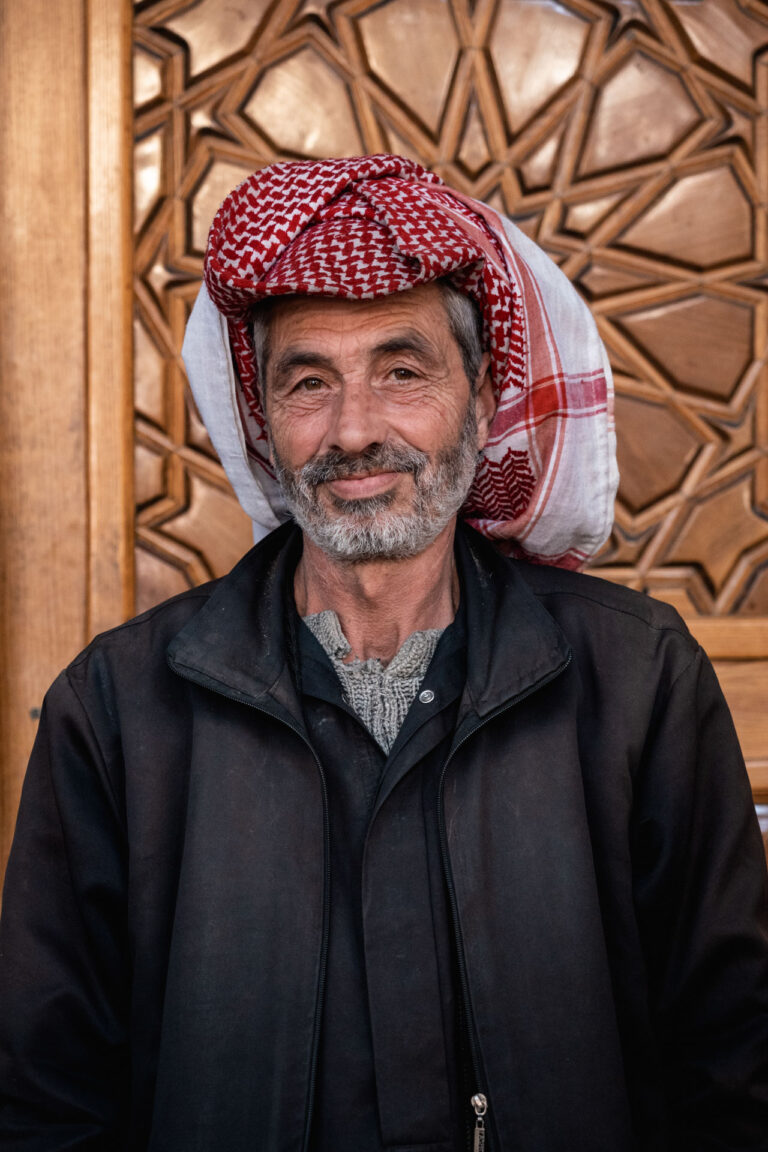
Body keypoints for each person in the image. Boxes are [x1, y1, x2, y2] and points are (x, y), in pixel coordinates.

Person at [1, 154, 767, 1152]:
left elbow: (734, 1071)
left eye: (402, 372)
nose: (356, 430)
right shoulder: (117, 709)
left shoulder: (638, 683)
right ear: (267, 428)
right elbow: (48, 1104)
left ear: (484, 403)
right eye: (309, 383)